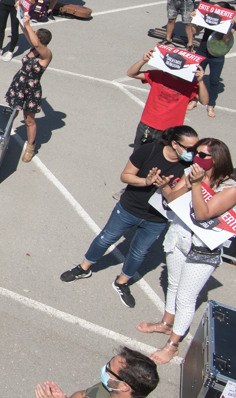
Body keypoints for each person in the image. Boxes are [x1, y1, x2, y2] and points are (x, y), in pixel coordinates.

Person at [61, 126, 200, 307]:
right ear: (175, 144)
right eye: (189, 149)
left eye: (195, 149)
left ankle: (122, 282)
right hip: (130, 208)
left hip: (157, 218)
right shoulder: (148, 150)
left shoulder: (188, 166)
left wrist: (165, 187)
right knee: (106, 238)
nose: (192, 153)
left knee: (139, 252)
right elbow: (125, 176)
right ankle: (83, 268)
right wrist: (146, 182)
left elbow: (174, 197)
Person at [137, 137, 236, 363]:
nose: (197, 158)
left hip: (202, 249)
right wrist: (163, 185)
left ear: (217, 159)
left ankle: (172, 345)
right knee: (173, 283)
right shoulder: (193, 171)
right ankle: (167, 324)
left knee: (186, 297)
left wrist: (196, 184)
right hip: (179, 236)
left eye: (203, 155)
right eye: (196, 153)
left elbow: (204, 213)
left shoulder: (231, 189)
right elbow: (174, 198)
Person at [127, 49, 204, 145]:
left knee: (159, 158)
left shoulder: (191, 85)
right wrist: (143, 60)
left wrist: (201, 81)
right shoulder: (158, 75)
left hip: (169, 131)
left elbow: (204, 101)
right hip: (147, 125)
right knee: (138, 157)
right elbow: (131, 73)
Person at [7, 18, 52, 162]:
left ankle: (30, 147)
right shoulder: (33, 47)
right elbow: (26, 31)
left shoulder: (46, 53)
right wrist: (21, 16)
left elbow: (33, 37)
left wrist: (28, 24)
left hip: (31, 90)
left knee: (29, 120)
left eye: (35, 34)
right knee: (12, 113)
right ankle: (4, 137)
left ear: (39, 39)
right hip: (19, 84)